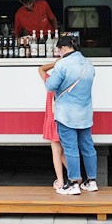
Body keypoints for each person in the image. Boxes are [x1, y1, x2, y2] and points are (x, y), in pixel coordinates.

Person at [44, 35, 97, 195]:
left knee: (71, 149)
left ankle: (73, 183)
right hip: (85, 114)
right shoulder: (89, 64)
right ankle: (91, 181)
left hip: (66, 115)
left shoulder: (62, 65)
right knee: (88, 147)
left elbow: (50, 86)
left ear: (64, 48)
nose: (59, 53)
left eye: (59, 49)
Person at [38, 57, 68, 189]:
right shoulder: (68, 82)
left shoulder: (50, 81)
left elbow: (40, 69)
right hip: (66, 119)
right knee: (66, 151)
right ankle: (76, 177)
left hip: (53, 119)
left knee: (56, 151)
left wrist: (54, 63)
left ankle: (60, 181)